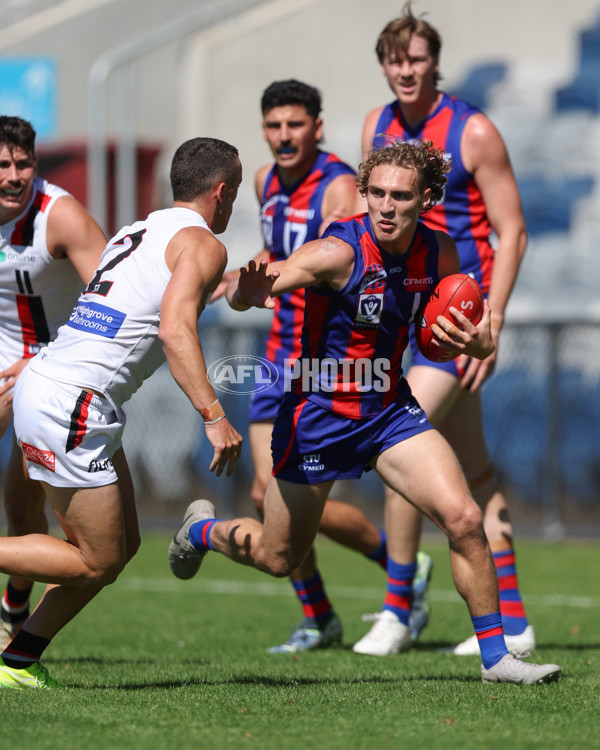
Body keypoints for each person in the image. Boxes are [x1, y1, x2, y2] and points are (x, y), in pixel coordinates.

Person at [169, 139, 560, 684]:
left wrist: (477, 343)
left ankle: (497, 659)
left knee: (465, 519)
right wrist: (246, 291)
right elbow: (255, 286)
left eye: (400, 196)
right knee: (278, 555)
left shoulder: (440, 254)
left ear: (426, 199)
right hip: (317, 418)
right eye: (375, 193)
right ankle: (203, 531)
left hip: (387, 412)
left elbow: (470, 332)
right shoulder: (338, 252)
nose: (385, 206)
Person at [0, 136, 243, 690]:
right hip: (73, 401)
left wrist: (241, 292)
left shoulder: (140, 229)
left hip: (62, 389)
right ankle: (14, 661)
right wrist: (212, 414)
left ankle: (18, 661)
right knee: (95, 560)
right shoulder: (204, 244)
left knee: (121, 548)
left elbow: (157, 302)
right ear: (222, 192)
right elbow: (173, 328)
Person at [213, 79, 429, 654]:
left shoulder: (340, 186)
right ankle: (321, 616)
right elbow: (275, 264)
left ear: (318, 126)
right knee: (265, 496)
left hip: (324, 367)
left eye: (295, 125)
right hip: (277, 355)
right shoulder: (263, 181)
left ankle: (394, 568)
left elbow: (348, 251)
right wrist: (244, 280)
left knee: (282, 495)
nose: (284, 136)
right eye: (274, 126)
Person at [352, 1, 533, 657]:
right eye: (396, 59)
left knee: (401, 447)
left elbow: (512, 230)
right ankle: (513, 621)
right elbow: (366, 214)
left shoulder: (473, 131)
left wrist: (491, 317)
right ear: (384, 64)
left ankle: (399, 608)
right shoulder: (377, 123)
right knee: (475, 475)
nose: (407, 69)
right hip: (406, 316)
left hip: (454, 319)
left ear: (435, 62)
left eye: (418, 58)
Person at [0, 115, 107, 651]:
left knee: (24, 503)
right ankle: (14, 607)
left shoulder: (59, 215)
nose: (14, 174)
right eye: (2, 164)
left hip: (58, 361)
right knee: (19, 506)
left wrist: (42, 355)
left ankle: (14, 604)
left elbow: (113, 299)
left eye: (23, 163)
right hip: (4, 353)